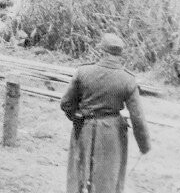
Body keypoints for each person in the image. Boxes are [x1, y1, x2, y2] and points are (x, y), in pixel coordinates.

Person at [60, 34, 151, 193]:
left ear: (101, 51)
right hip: (112, 134)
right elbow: (137, 118)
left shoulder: (83, 72)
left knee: (78, 177)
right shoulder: (127, 79)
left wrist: (77, 117)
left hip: (84, 129)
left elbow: (66, 103)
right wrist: (144, 146)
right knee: (108, 180)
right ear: (120, 54)